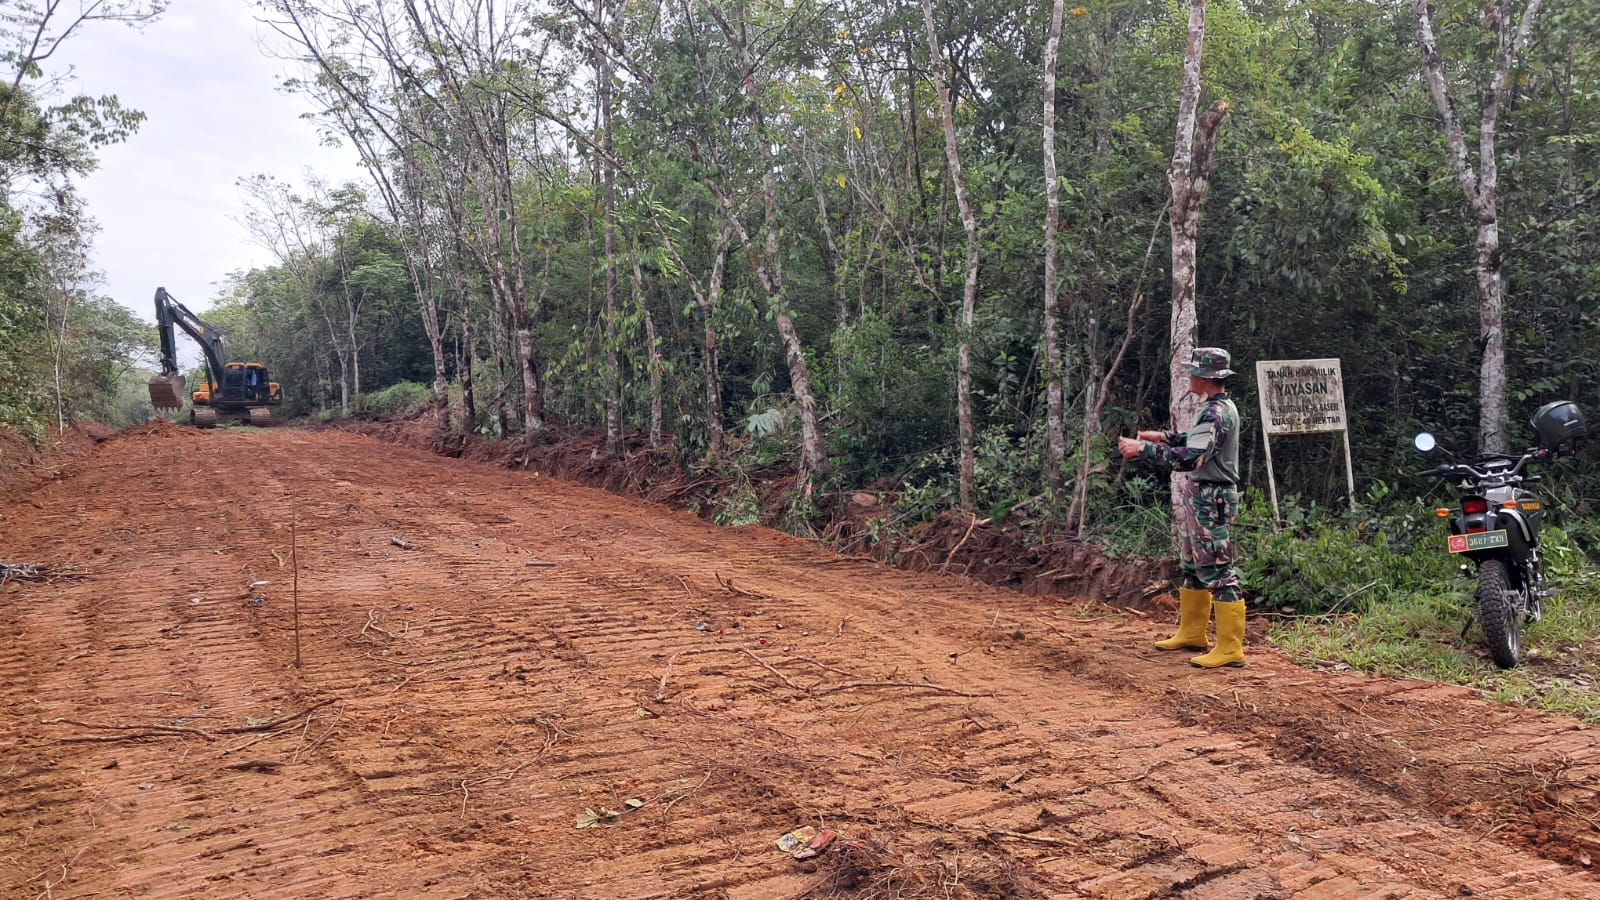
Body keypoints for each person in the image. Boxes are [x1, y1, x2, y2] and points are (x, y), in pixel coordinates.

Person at [1117, 347, 1245, 668]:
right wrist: (1163, 437)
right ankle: (1192, 633)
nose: (1189, 376)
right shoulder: (1214, 408)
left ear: (1205, 377)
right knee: (1193, 566)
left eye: (1193, 372)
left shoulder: (1217, 412)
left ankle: (1230, 648)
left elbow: (1192, 457)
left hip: (1211, 497)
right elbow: (1193, 440)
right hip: (1200, 495)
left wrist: (1144, 449)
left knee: (1217, 570)